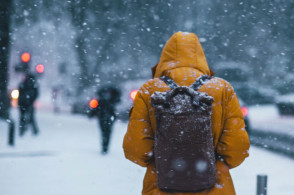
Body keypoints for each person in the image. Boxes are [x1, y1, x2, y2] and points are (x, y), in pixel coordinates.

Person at [123, 32, 250, 194]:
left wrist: (166, 160)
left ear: (165, 57)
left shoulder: (149, 90)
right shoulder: (222, 89)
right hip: (215, 187)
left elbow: (136, 150)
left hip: (160, 186)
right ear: (200, 56)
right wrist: (208, 163)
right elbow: (237, 149)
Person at [89, 86, 121, 154]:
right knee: (105, 132)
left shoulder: (107, 99)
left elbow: (96, 108)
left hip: (105, 117)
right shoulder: (109, 99)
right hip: (105, 117)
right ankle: (105, 146)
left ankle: (105, 146)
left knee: (106, 132)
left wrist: (92, 114)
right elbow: (96, 108)